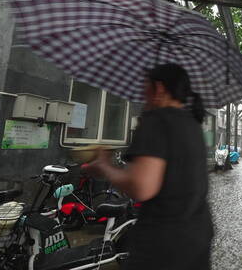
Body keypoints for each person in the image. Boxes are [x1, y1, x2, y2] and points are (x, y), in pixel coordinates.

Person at [85, 63, 214, 270]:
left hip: (163, 245)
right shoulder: (193, 124)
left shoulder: (157, 121)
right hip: (198, 236)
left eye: (146, 86)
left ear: (160, 88)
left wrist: (105, 167)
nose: (142, 93)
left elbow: (142, 187)